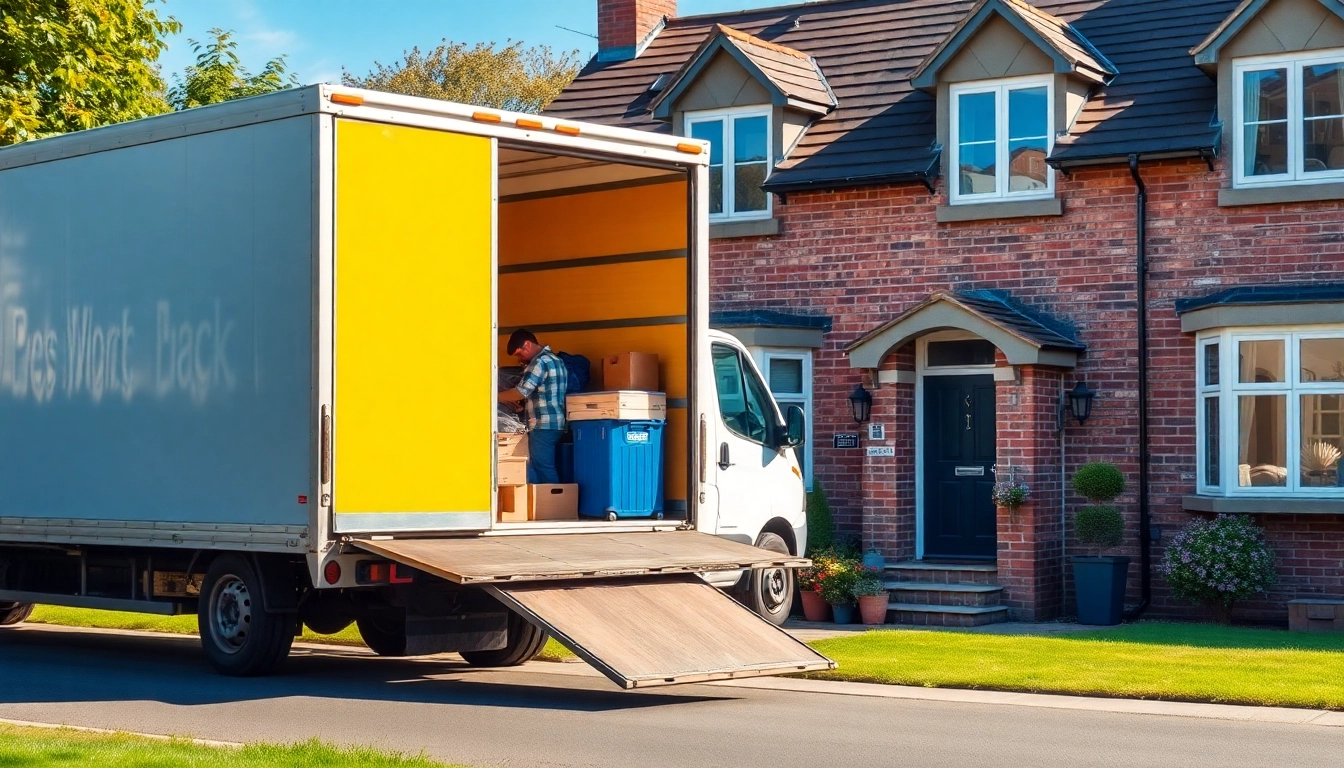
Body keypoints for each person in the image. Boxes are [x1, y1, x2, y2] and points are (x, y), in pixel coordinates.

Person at [498, 329, 568, 484]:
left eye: (519, 354)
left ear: (527, 345)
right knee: (545, 466)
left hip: (542, 424)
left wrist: (493, 397)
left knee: (542, 468)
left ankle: (551, 505)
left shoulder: (539, 362)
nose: (519, 359)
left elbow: (522, 391)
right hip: (556, 423)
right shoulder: (556, 360)